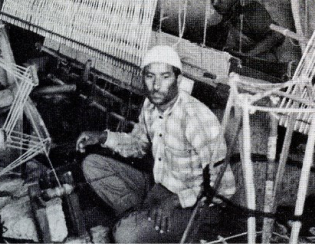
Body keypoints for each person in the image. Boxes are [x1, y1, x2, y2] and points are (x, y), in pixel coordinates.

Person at [77, 45, 235, 244]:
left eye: (165, 77)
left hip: (198, 208)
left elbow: (224, 187)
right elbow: (138, 145)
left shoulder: (196, 119)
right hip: (160, 188)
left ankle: (144, 225)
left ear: (178, 80)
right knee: (92, 165)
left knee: (125, 236)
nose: (156, 85)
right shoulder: (150, 106)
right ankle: (145, 220)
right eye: (150, 76)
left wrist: (176, 201)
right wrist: (102, 137)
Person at [205, 0, 284, 65]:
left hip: (259, 66)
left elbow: (277, 35)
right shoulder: (229, 13)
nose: (214, 3)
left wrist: (247, 56)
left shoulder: (251, 10)